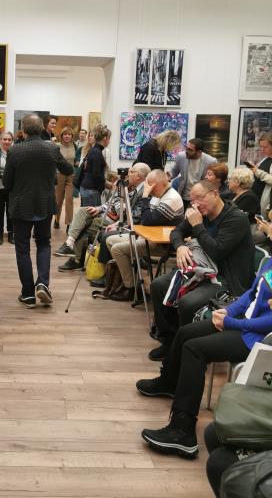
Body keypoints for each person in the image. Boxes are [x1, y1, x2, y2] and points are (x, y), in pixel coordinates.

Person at [136, 257, 272, 460]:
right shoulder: (270, 262)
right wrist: (228, 311)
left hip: (257, 339)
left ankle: (183, 431)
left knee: (194, 350)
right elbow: (252, 294)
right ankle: (168, 383)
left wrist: (231, 323)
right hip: (244, 324)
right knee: (185, 333)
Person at [149, 180, 255, 361]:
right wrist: (180, 246)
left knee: (188, 302)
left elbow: (218, 251)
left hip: (225, 279)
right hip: (200, 271)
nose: (195, 204)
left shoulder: (236, 218)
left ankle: (184, 350)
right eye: (192, 200)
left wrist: (197, 226)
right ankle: (169, 340)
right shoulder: (202, 213)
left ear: (215, 194)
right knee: (158, 286)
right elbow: (176, 232)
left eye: (199, 198)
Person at [3, 113, 73, 308]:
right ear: (42, 128)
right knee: (43, 243)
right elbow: (68, 169)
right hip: (44, 204)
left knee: (22, 248)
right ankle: (43, 283)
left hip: (21, 205)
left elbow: (7, 182)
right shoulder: (52, 148)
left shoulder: (14, 150)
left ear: (23, 130)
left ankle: (27, 294)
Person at [104, 169, 184, 301]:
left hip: (161, 244)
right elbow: (144, 219)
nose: (147, 187)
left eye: (149, 184)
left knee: (117, 249)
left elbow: (147, 220)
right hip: (148, 236)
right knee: (110, 240)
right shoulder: (160, 195)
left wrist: (145, 196)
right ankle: (129, 280)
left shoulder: (171, 198)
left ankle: (130, 288)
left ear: (157, 184)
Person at [55, 163, 151, 271]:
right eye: (129, 171)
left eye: (132, 172)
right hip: (108, 214)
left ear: (139, 176)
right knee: (83, 211)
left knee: (84, 225)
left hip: (117, 221)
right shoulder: (130, 186)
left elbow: (126, 214)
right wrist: (99, 208)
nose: (128, 174)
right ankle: (69, 243)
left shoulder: (140, 191)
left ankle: (77, 259)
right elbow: (110, 203)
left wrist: (119, 197)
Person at [169, 138, 217, 208]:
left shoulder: (210, 161)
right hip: (183, 196)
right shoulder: (181, 156)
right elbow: (174, 171)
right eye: (186, 148)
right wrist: (167, 176)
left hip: (199, 198)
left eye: (190, 150)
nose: (186, 151)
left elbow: (212, 181)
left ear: (199, 152)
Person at [0, 130, 14, 245]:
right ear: (0, 140)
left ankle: (11, 234)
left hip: (11, 188)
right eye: (4, 139)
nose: (7, 141)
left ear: (12, 141)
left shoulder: (15, 154)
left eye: (9, 139)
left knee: (11, 212)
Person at [79, 124, 110, 206]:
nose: (109, 141)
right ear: (105, 138)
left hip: (88, 188)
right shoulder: (97, 152)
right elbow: (96, 174)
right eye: (109, 138)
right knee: (91, 213)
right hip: (91, 190)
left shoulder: (95, 150)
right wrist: (106, 183)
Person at [54, 127, 76, 230]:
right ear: (62, 136)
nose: (67, 136)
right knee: (58, 200)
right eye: (65, 134)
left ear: (72, 136)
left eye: (69, 134)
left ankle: (69, 223)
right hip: (60, 174)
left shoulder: (74, 146)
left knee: (69, 199)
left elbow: (76, 160)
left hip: (71, 175)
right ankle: (56, 219)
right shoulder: (57, 146)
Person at [250, 131, 272, 217]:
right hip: (257, 197)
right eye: (261, 147)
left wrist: (258, 172)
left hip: (266, 201)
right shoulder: (266, 158)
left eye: (265, 147)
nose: (262, 149)